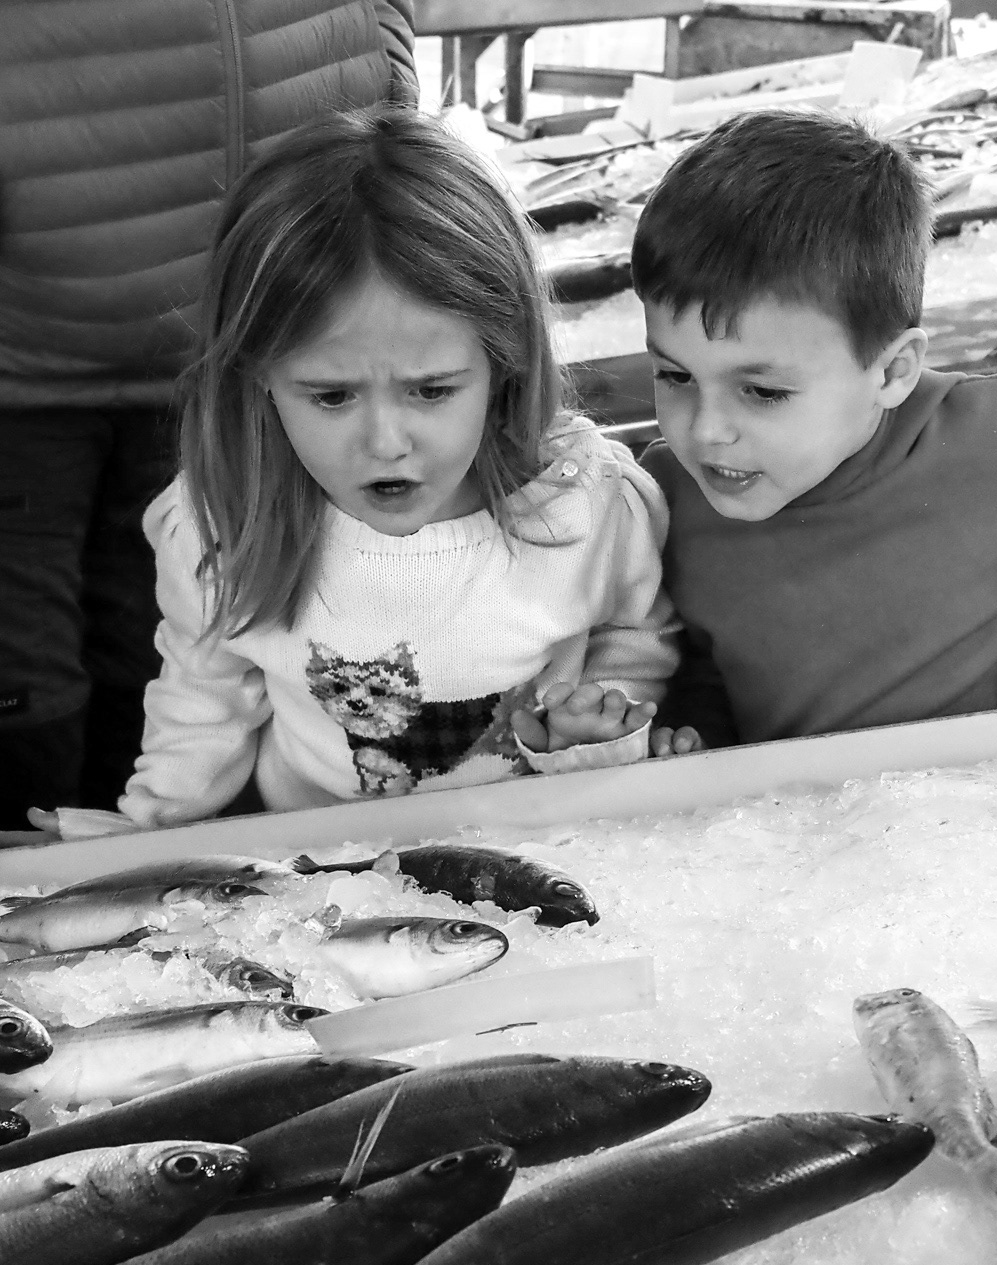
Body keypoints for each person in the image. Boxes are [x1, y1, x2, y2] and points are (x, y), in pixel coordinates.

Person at [34, 107, 680, 835]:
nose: (385, 443)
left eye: (431, 390)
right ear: (259, 375)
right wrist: (149, 832)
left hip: (543, 847)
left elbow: (635, 640)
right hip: (323, 884)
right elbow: (204, 694)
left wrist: (594, 729)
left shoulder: (587, 504)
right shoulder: (223, 523)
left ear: (505, 364)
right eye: (332, 395)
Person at [632, 111, 997, 758]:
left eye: (763, 391)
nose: (706, 431)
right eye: (675, 375)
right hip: (820, 838)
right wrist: (692, 733)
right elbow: (706, 663)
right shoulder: (669, 500)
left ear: (893, 371)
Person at [0, 0, 420, 832]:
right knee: (23, 672)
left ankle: (138, 864)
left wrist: (384, 75)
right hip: (24, 365)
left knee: (186, 638)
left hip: (255, 340)